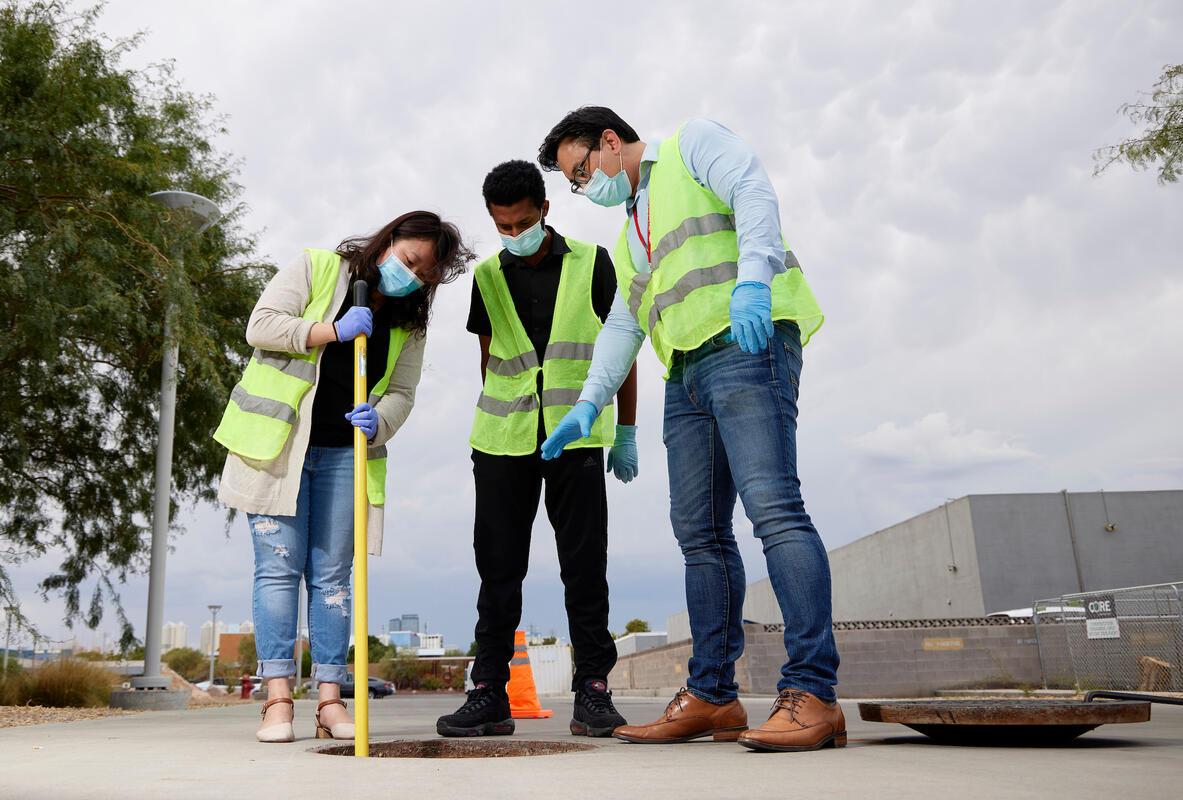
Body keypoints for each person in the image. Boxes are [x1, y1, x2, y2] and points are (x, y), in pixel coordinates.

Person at [536, 108, 844, 752]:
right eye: (572, 181)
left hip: (746, 342)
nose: (582, 186)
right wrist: (590, 405)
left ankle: (813, 693)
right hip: (686, 371)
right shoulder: (631, 235)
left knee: (775, 511)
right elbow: (623, 324)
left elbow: (753, 190)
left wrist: (754, 281)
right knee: (698, 533)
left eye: (581, 170)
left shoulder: (690, 145)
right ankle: (712, 695)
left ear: (611, 143)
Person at [214, 211, 474, 743]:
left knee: (332, 580)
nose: (414, 276)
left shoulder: (408, 323)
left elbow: (402, 393)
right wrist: (329, 330)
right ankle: (278, 701)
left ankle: (330, 701)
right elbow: (260, 325)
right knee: (278, 569)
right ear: (388, 241)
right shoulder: (316, 269)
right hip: (279, 449)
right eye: (409, 261)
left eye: (426, 275)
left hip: (344, 455)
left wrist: (379, 421)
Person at [436, 160, 637, 739]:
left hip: (573, 439)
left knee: (584, 566)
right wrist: (504, 427)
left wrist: (625, 431)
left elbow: (618, 352)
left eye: (522, 222)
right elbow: (488, 358)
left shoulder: (592, 262)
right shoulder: (488, 277)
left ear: (545, 210)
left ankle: (593, 691)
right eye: (502, 226)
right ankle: (489, 692)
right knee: (497, 569)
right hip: (502, 442)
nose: (512, 235)